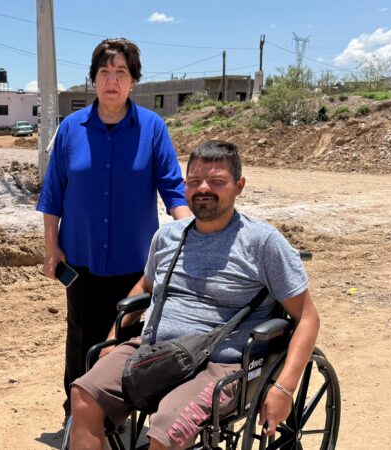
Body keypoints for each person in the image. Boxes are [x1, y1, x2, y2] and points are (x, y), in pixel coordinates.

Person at [69, 141, 320, 450]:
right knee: (84, 394)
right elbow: (146, 286)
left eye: (217, 181)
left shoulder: (262, 243)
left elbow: (307, 318)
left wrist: (284, 388)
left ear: (239, 186)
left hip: (221, 366)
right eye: (195, 181)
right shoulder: (168, 236)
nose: (203, 189)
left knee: (168, 429)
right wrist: (113, 339)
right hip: (155, 353)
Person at [36, 37, 192, 419]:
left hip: (134, 265)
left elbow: (174, 190)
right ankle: (76, 415)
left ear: (133, 80)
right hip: (82, 259)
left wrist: (193, 232)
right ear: (93, 79)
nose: (112, 80)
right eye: (105, 71)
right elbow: (53, 195)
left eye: (121, 72)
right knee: (81, 337)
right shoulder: (71, 129)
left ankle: (115, 416)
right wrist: (51, 247)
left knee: (126, 341)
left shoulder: (152, 129)